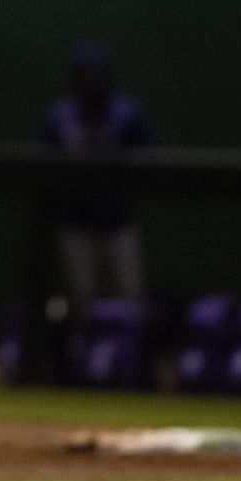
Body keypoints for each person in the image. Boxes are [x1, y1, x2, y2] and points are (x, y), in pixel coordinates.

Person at [42, 40, 155, 318]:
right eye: (85, 75)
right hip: (76, 223)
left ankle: (131, 355)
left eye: (97, 75)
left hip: (119, 222)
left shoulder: (127, 114)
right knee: (82, 301)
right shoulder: (60, 116)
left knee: (130, 298)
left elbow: (151, 159)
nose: (91, 82)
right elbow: (42, 167)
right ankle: (85, 357)